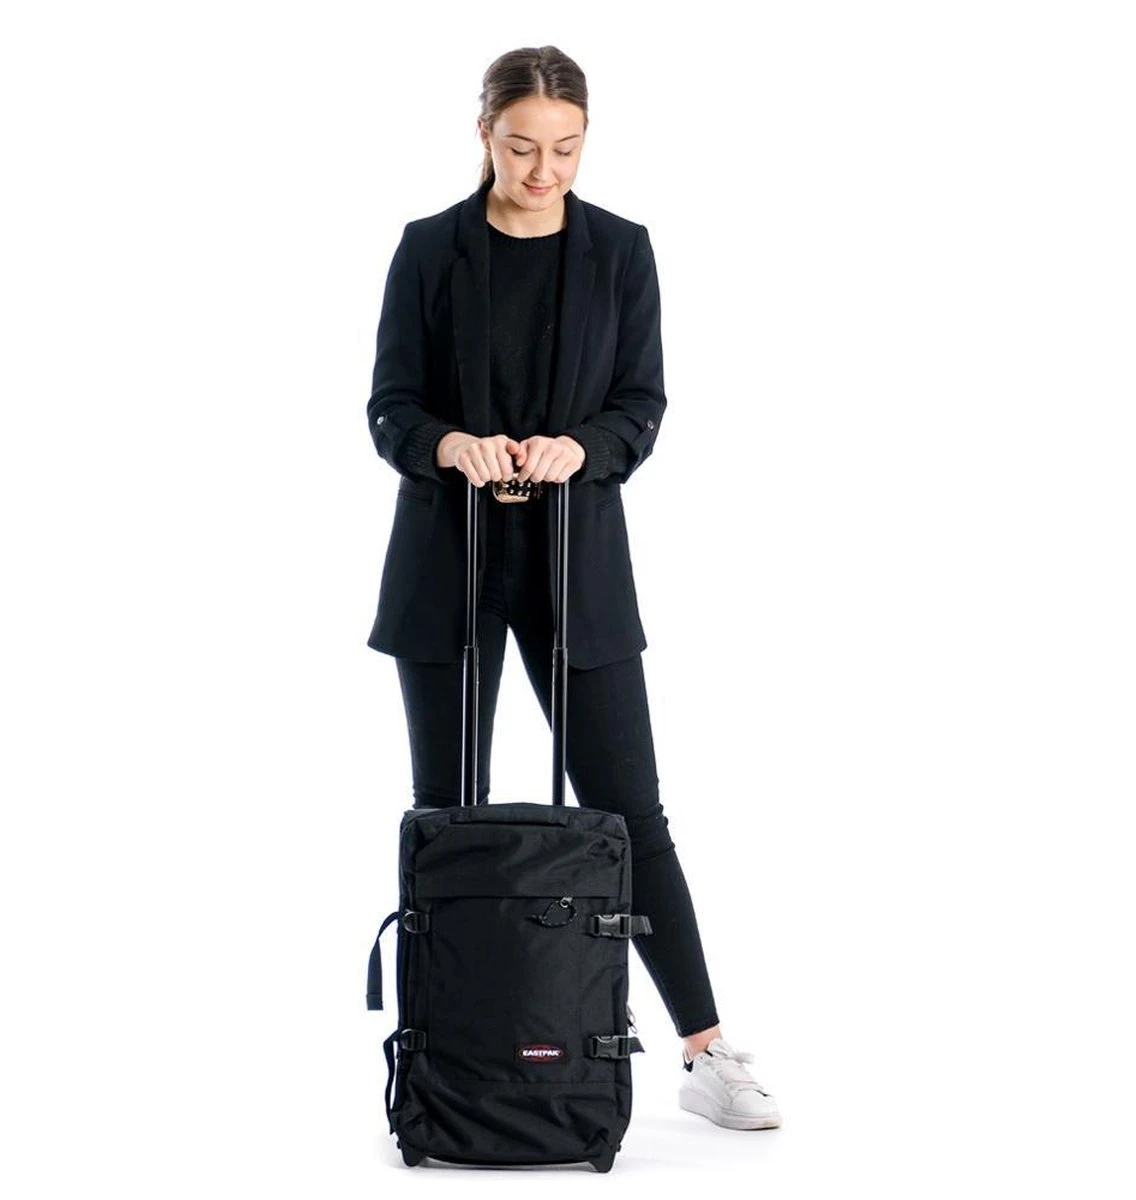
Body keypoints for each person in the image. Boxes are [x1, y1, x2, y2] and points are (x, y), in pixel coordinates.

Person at [365, 45, 781, 1131]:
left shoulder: (620, 250)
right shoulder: (428, 248)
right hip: (448, 560)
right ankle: (446, 1053)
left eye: (565, 149)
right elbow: (389, 405)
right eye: (521, 148)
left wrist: (580, 448)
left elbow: (640, 403)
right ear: (484, 135)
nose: (543, 171)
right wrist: (448, 442)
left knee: (629, 811)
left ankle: (705, 1050)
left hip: (575, 562)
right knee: (449, 814)